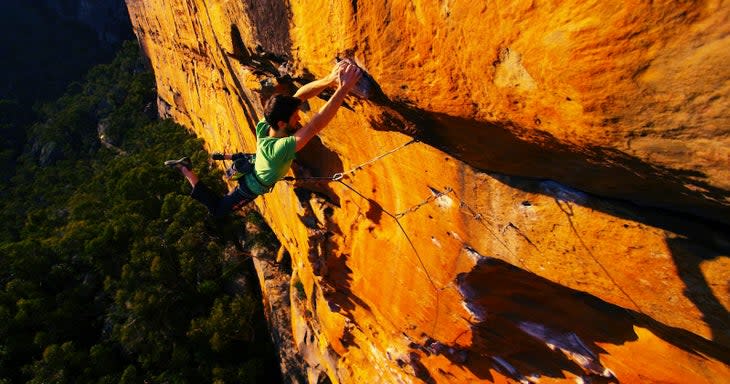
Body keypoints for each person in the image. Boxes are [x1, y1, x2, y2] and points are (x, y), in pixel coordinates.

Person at [165, 60, 363, 217]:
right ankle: (185, 169)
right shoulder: (279, 146)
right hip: (250, 180)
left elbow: (301, 101)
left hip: (252, 180)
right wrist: (341, 87)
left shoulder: (265, 126)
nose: (300, 116)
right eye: (295, 116)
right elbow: (314, 125)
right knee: (217, 211)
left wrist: (332, 80)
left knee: (218, 210)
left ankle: (185, 169)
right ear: (282, 124)